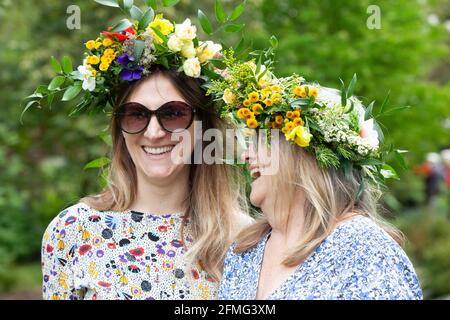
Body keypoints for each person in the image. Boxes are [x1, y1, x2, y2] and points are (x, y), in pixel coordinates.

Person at [40, 10, 251, 300]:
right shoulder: (74, 230)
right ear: (119, 129)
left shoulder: (244, 240)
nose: (153, 133)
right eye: (136, 114)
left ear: (203, 127)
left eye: (173, 114)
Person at [208, 61, 423, 299]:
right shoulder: (244, 250)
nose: (247, 155)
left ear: (302, 153)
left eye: (261, 140)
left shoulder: (364, 248)